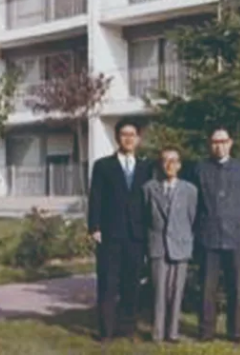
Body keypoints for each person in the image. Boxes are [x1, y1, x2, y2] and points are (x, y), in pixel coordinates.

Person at [87, 118, 152, 342]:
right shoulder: (103, 166)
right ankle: (106, 332)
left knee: (131, 285)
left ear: (138, 139)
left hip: (136, 236)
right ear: (117, 138)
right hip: (110, 235)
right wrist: (94, 227)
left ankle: (127, 329)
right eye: (124, 135)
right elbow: (95, 197)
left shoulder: (146, 167)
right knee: (108, 283)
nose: (128, 139)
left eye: (132, 135)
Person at [193, 128, 240, 344]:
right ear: (210, 145)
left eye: (223, 141)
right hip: (209, 236)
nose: (219, 146)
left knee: (236, 287)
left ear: (230, 143)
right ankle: (206, 331)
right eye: (214, 142)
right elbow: (195, 203)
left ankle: (235, 332)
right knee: (207, 287)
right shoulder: (200, 169)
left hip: (236, 236)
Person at [142, 147, 197, 343]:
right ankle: (157, 333)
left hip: (180, 245)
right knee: (159, 291)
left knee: (177, 291)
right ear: (160, 164)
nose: (169, 165)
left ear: (179, 165)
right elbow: (145, 217)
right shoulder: (149, 188)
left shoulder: (190, 190)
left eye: (174, 160)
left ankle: (173, 332)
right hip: (158, 246)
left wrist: (184, 238)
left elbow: (192, 218)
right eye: (165, 160)